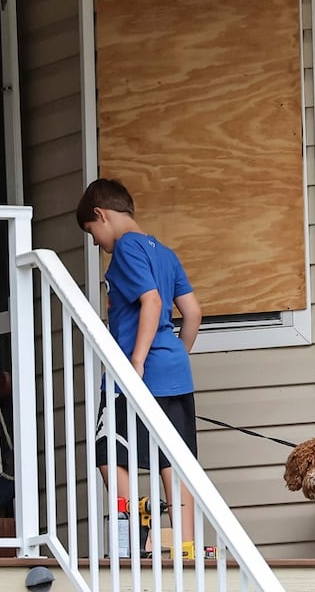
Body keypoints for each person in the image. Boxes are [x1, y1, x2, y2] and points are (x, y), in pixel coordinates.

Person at [76, 177, 202, 558]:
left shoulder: (127, 249)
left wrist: (137, 362)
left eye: (92, 233)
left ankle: (138, 534)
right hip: (175, 372)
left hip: (135, 375)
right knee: (174, 461)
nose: (97, 243)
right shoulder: (164, 252)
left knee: (108, 453)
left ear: (101, 215)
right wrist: (172, 358)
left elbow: (149, 302)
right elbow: (193, 313)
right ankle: (184, 545)